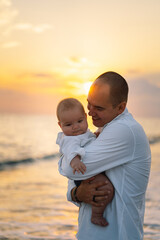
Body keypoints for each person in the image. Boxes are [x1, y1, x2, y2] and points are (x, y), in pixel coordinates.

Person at [59, 71, 151, 240]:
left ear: (120, 107)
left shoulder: (123, 130)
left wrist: (67, 153)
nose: (90, 112)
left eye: (99, 108)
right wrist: (76, 194)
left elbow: (71, 170)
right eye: (89, 104)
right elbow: (77, 175)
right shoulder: (102, 129)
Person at [56, 98, 114, 226]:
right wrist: (75, 160)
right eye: (68, 125)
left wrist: (97, 136)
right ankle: (96, 215)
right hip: (84, 175)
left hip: (88, 172)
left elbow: (88, 140)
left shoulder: (83, 134)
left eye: (79, 121)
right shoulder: (69, 139)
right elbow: (71, 150)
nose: (75, 127)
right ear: (60, 125)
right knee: (106, 188)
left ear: (85, 117)